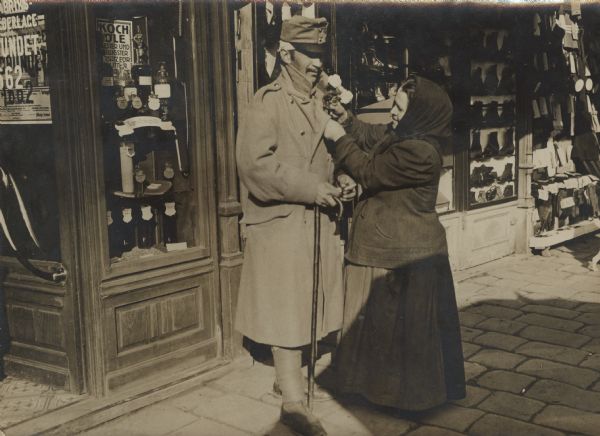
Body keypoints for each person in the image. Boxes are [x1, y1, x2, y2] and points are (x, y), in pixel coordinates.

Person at [235, 15, 355, 436]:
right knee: (287, 304)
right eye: (309, 55)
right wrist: (311, 187)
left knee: (312, 302)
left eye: (321, 55)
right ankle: (292, 400)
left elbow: (330, 153)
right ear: (286, 54)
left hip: (316, 219)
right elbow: (255, 166)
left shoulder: (321, 101)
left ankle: (289, 379)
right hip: (281, 220)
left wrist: (343, 177)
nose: (317, 63)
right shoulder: (266, 102)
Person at [323, 75, 466, 411]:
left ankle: (400, 398)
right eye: (394, 106)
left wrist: (337, 135)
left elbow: (369, 171)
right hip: (394, 246)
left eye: (400, 108)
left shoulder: (420, 152)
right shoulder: (406, 134)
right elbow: (372, 135)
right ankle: (377, 392)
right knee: (389, 331)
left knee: (394, 330)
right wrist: (346, 118)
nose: (393, 114)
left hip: (402, 253)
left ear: (420, 112)